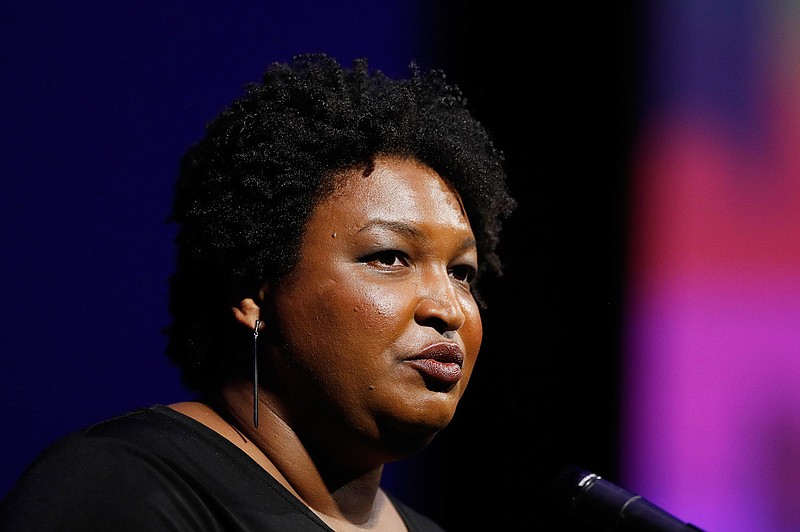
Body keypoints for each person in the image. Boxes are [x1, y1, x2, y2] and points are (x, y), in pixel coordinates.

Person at [0, 53, 516, 531]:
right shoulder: (119, 493)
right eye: (389, 258)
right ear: (253, 291)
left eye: (462, 272)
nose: (447, 307)